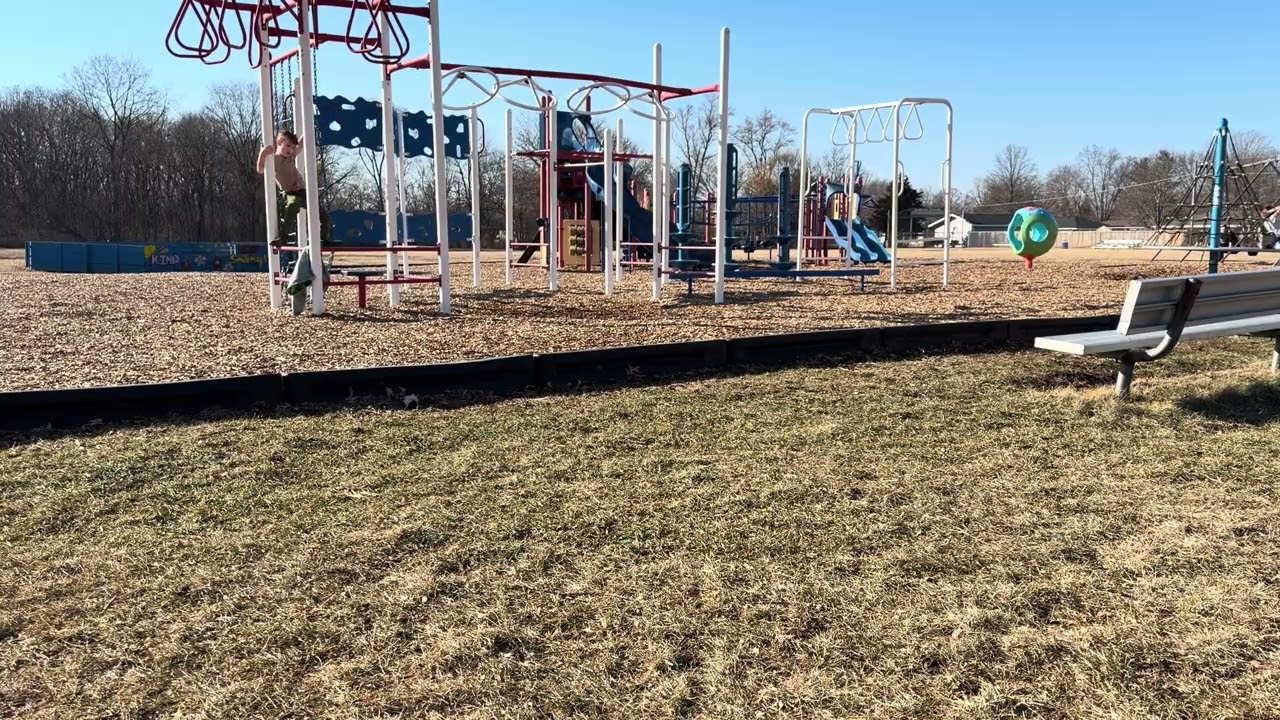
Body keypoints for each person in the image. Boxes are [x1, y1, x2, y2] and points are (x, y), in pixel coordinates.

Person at [256, 130, 330, 246]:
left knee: (323, 215)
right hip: (290, 193)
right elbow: (260, 170)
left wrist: (308, 129)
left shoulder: (290, 157)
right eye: (288, 146)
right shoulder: (273, 160)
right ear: (279, 143)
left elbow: (299, 146)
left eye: (292, 147)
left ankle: (322, 239)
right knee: (292, 206)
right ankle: (283, 238)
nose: (290, 150)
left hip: (303, 192)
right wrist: (263, 153)